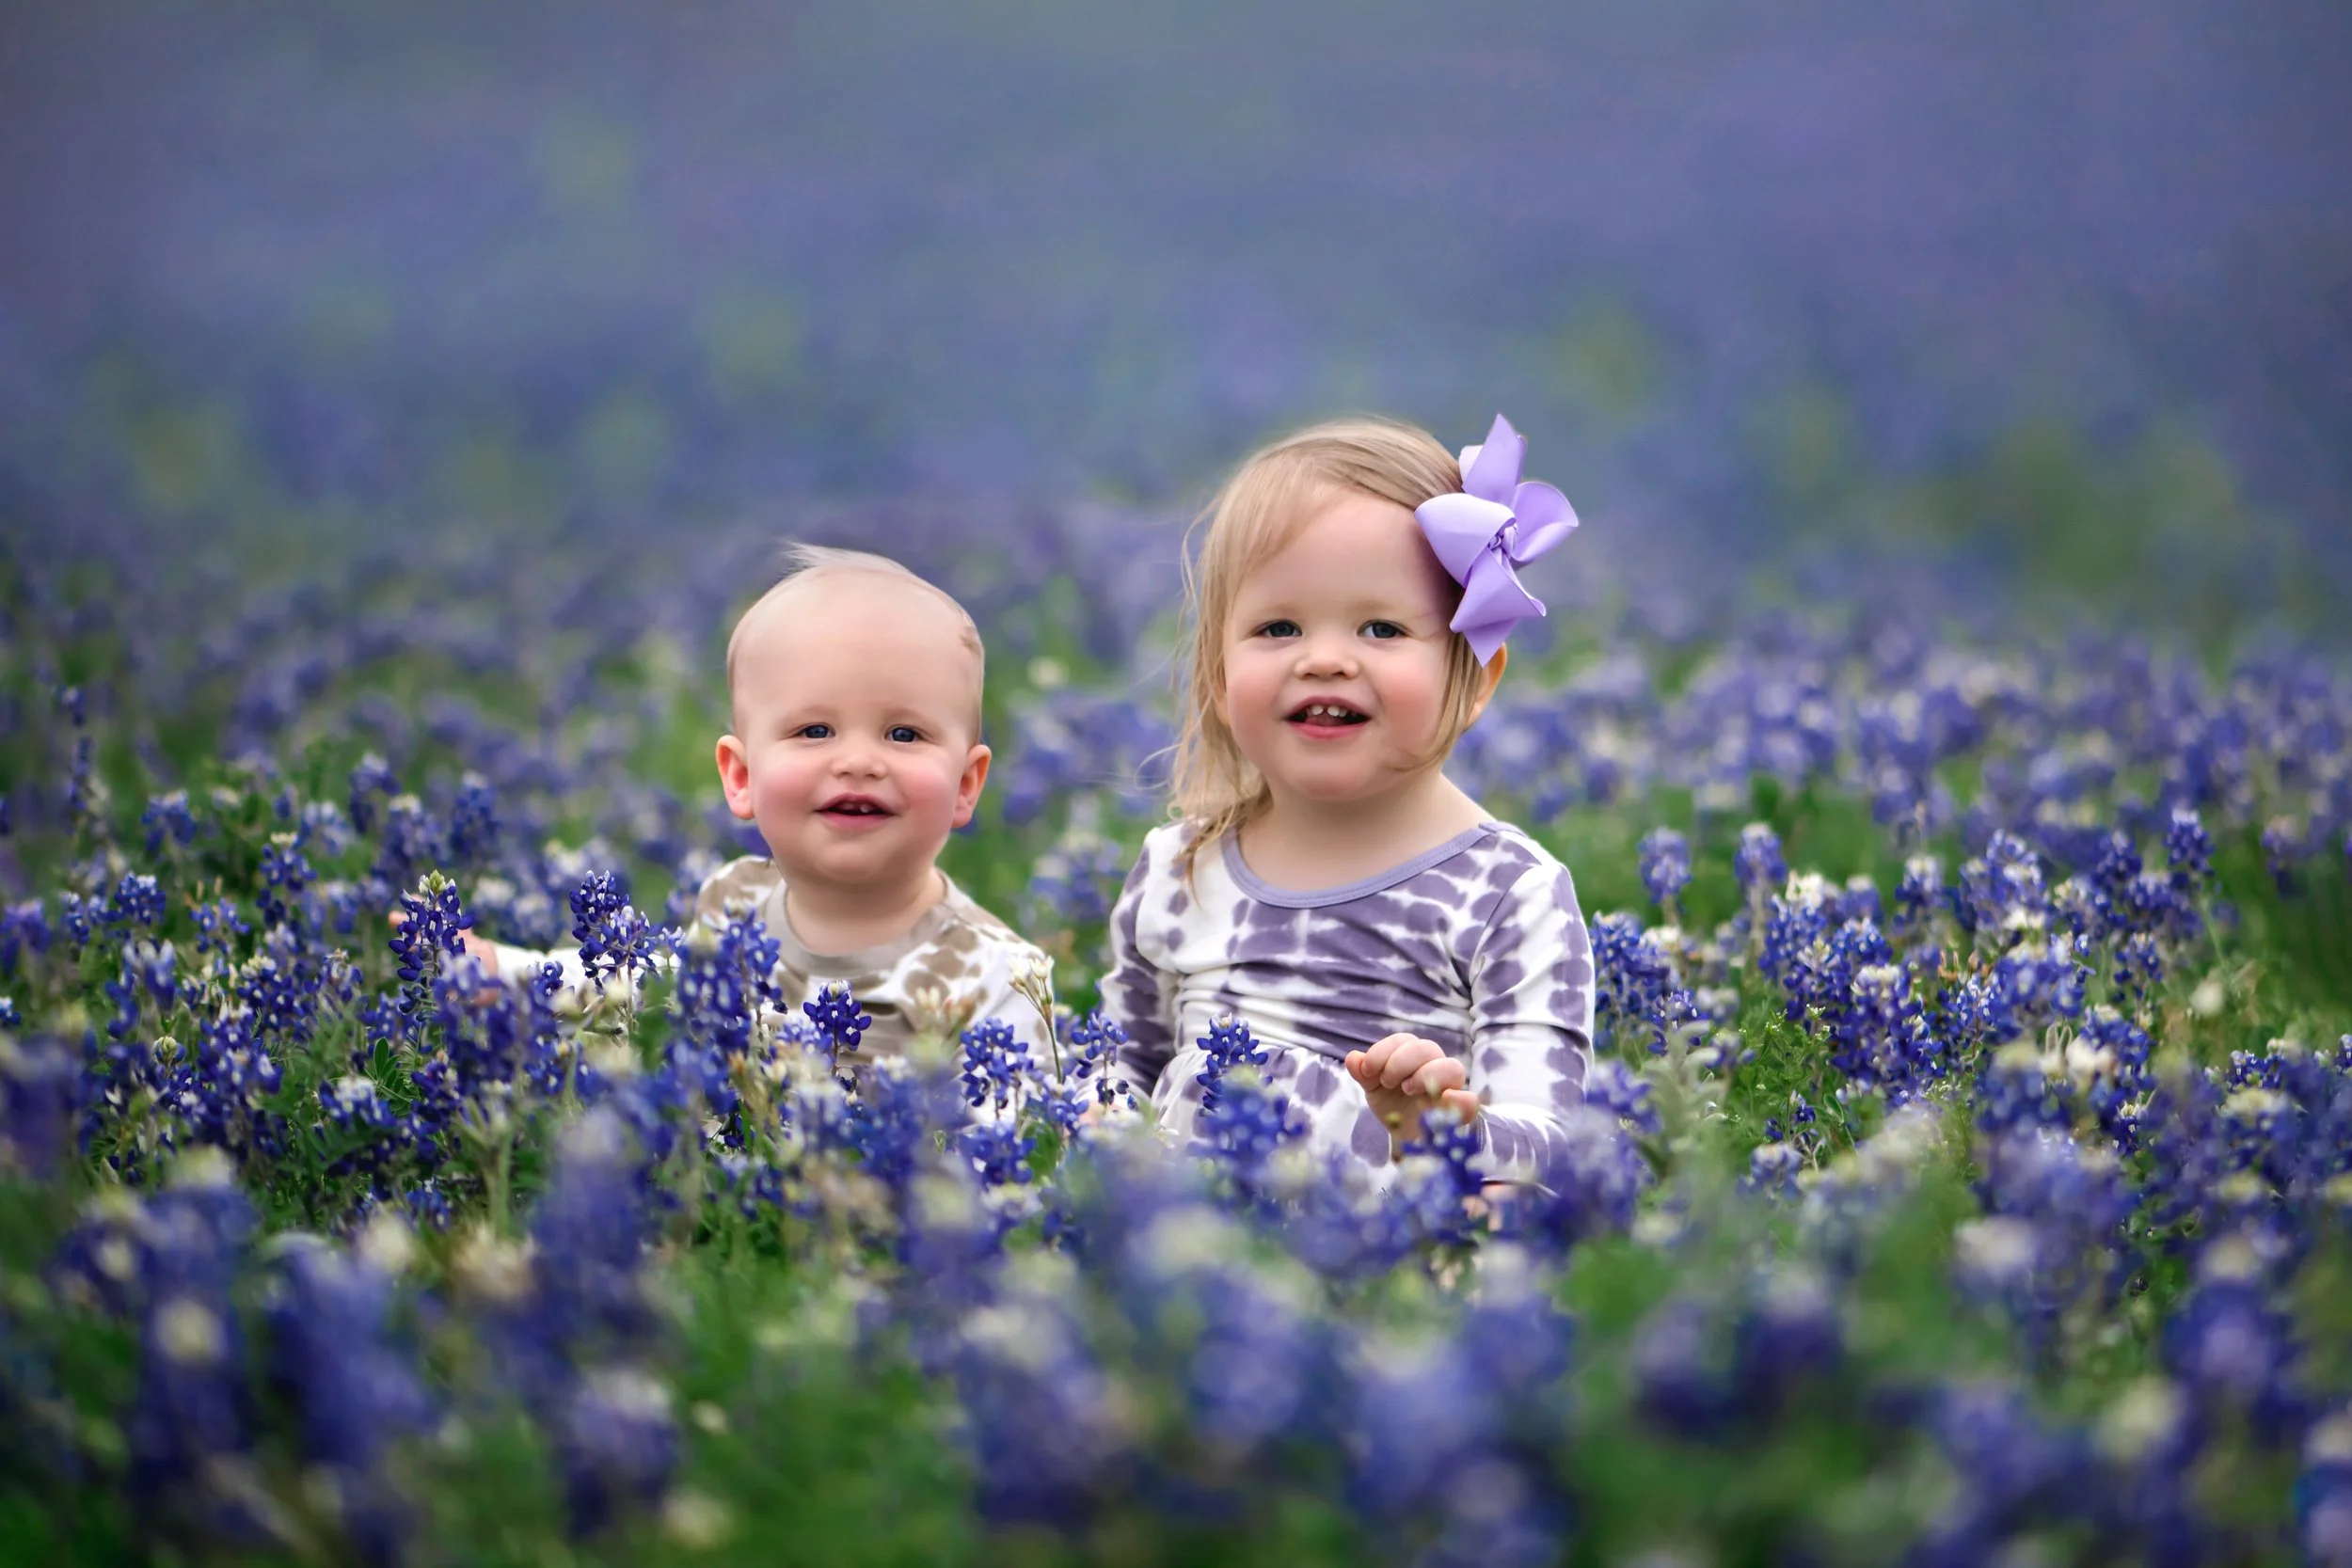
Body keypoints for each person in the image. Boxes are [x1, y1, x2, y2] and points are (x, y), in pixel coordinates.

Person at [1101, 415, 1595, 1184]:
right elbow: (1118, 1084)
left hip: (1392, 1257)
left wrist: (1439, 1132)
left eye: (1381, 627)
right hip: (1183, 1256)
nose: (1325, 658)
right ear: (1219, 680)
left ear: (1475, 681)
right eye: (1278, 626)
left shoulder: (1510, 894)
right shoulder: (1177, 869)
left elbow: (1552, 1146)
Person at [462, 545, 1057, 1075]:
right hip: (725, 1190)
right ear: (741, 778)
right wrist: (507, 973)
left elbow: (1011, 1153)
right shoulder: (735, 906)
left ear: (965, 785)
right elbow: (647, 989)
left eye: (903, 734)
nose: (858, 762)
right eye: (815, 730)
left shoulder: (1000, 977)